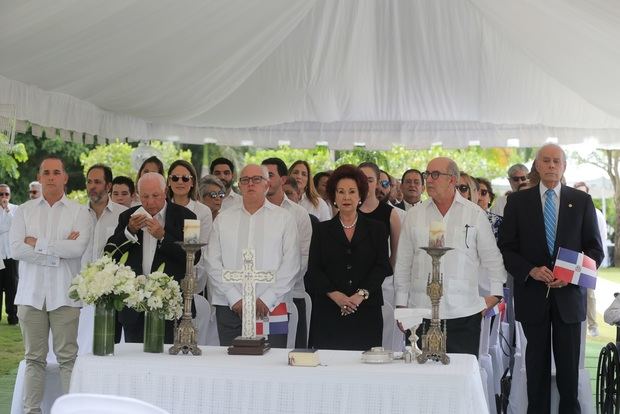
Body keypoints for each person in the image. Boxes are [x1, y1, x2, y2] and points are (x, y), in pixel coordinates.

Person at [498, 144, 604, 414]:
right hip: (533, 297)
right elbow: (507, 247)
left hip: (568, 299)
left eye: (557, 161)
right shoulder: (518, 202)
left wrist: (569, 276)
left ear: (564, 166)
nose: (551, 166)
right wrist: (530, 270)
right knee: (536, 370)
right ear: (537, 165)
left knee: (569, 373)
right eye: (546, 161)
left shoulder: (581, 202)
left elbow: (595, 250)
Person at [394, 157, 506, 357]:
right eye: (427, 174)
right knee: (422, 380)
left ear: (452, 180)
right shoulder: (414, 215)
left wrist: (495, 296)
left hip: (464, 315)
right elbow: (403, 263)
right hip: (420, 313)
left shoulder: (474, 214)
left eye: (435, 175)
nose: (429, 180)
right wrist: (402, 305)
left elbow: (493, 260)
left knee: (459, 379)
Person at [10, 156, 92, 414]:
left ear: (65, 177)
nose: (51, 177)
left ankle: (70, 411)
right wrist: (58, 249)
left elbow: (77, 248)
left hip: (65, 295)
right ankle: (31, 411)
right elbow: (15, 250)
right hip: (30, 295)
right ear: (40, 175)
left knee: (68, 359)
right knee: (33, 359)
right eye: (46, 172)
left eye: (57, 172)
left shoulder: (80, 212)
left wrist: (39, 243)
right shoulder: (24, 210)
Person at [205, 164, 300, 348]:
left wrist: (268, 298)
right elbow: (212, 261)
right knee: (231, 366)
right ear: (239, 186)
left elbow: (292, 263)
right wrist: (235, 297)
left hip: (270, 306)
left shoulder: (284, 218)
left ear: (267, 185)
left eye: (257, 179)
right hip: (230, 306)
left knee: (269, 366)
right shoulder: (223, 218)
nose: (250, 184)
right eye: (245, 180)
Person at [306, 165, 391, 350]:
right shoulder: (321, 230)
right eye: (341, 192)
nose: (346, 197)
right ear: (333, 196)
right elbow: (314, 269)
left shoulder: (377, 229)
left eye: (352, 191)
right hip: (328, 311)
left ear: (360, 196)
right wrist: (336, 295)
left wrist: (360, 295)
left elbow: (382, 266)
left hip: (366, 310)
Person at [105, 172, 195, 343]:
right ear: (138, 195)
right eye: (145, 196)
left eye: (155, 195)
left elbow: (192, 258)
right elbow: (110, 252)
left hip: (169, 306)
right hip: (134, 306)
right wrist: (129, 231)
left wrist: (163, 236)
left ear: (166, 192)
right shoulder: (127, 217)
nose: (150, 202)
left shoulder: (186, 217)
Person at [262, 158, 312, 348]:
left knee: (288, 356)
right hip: (257, 298)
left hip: (291, 295)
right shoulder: (253, 211)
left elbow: (304, 257)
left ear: (283, 180)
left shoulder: (299, 214)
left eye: (270, 175)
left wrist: (277, 286)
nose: (264, 180)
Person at [574, 181, 607, 337]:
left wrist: (594, 264)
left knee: (589, 293)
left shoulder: (597, 214)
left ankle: (592, 325)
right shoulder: (571, 211)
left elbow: (600, 240)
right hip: (572, 261)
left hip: (588, 261)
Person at [82, 165, 128, 267]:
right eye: (89, 182)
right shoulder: (77, 214)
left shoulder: (123, 215)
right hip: (78, 279)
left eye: (97, 182)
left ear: (108, 186)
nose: (92, 186)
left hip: (111, 280)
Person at [166, 160, 212, 245]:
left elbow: (203, 247)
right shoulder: (162, 208)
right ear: (169, 181)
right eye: (175, 178)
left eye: (185, 178)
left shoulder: (203, 211)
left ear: (192, 182)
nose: (180, 182)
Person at [0, 184, 18, 324]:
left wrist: (7, 211)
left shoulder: (16, 209)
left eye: (6, 194)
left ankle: (13, 316)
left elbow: (16, 227)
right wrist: (7, 228)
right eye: (1, 194)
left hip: (11, 254)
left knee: (13, 286)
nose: (4, 197)